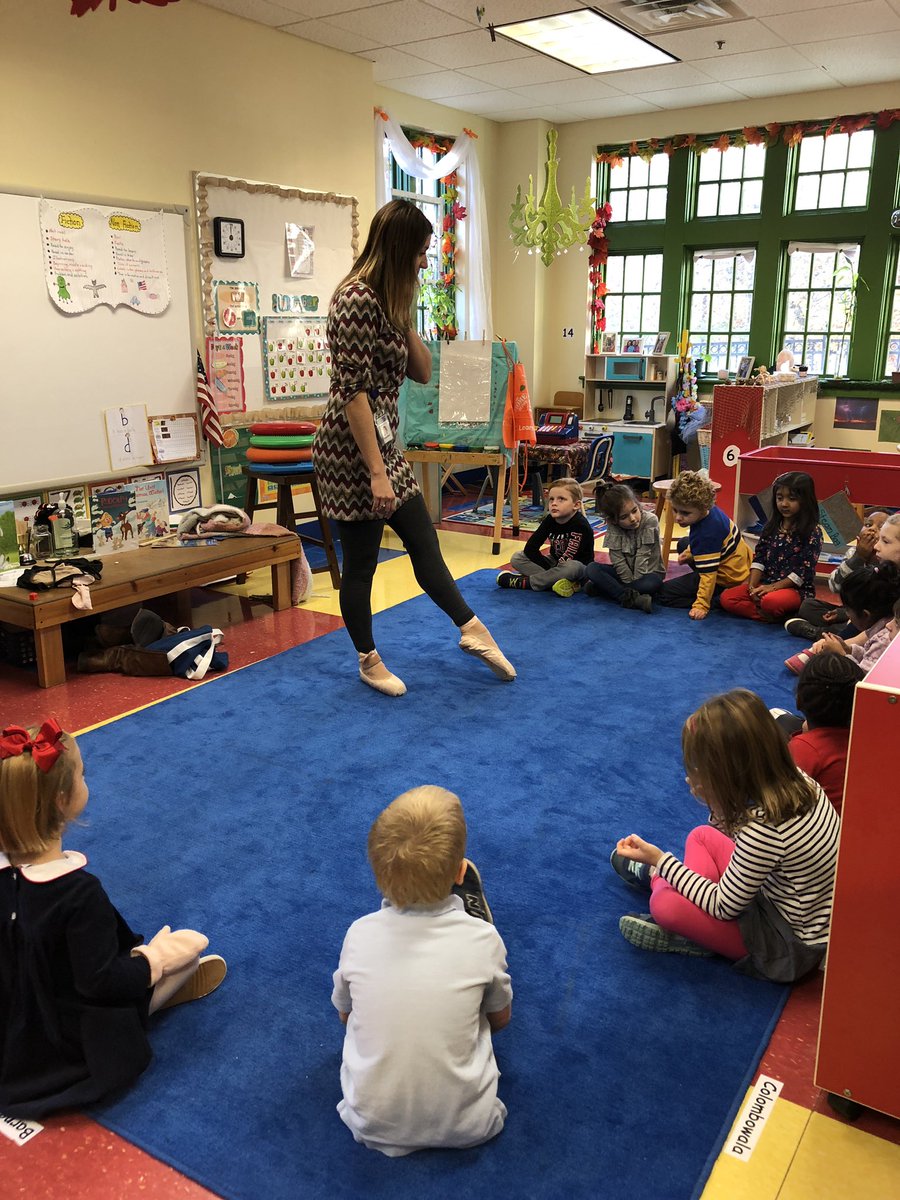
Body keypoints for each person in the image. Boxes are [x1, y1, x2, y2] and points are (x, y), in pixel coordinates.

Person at [311, 199, 515, 697]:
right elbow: (352, 393)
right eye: (421, 252)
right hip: (350, 451)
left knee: (424, 542)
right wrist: (376, 473)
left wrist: (402, 315)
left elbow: (422, 371)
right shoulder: (355, 300)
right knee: (362, 563)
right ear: (400, 250)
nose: (425, 262)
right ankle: (368, 659)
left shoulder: (387, 302)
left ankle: (472, 628)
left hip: (382, 443)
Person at [0, 720, 225, 1118]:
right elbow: (100, 982)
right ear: (63, 800)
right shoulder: (77, 893)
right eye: (82, 775)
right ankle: (158, 993)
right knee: (183, 956)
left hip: (11, 1023)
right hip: (61, 1040)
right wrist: (154, 960)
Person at [609, 690, 839, 982]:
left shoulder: (763, 831)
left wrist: (660, 861)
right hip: (789, 906)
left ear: (726, 775)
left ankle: (661, 882)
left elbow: (723, 906)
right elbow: (743, 842)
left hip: (787, 947)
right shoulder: (797, 779)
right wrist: (718, 807)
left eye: (699, 769)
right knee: (701, 836)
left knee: (664, 906)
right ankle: (671, 885)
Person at [331, 785, 512, 1157]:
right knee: (475, 998)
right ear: (460, 872)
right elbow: (501, 1019)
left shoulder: (358, 934)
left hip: (368, 1123)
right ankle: (465, 918)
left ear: (378, 875)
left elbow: (345, 1016)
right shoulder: (486, 940)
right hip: (473, 1124)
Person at [769, 653, 864, 814]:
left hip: (823, 823)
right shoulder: (866, 737)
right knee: (778, 718)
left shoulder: (803, 750)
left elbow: (776, 799)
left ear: (799, 700)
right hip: (852, 816)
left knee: (772, 721)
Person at [720, 472, 821, 622]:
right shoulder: (771, 527)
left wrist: (772, 588)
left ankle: (774, 610)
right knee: (727, 597)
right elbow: (759, 559)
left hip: (794, 590)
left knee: (770, 602)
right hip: (765, 584)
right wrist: (752, 587)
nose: (784, 504)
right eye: (780, 498)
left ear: (805, 500)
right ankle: (772, 616)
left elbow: (802, 573)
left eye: (792, 499)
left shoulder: (812, 532)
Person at [658, 470, 752, 619]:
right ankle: (712, 591)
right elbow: (700, 542)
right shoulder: (711, 511)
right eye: (675, 510)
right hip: (738, 563)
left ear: (703, 509)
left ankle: (717, 600)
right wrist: (690, 552)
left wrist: (701, 605)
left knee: (663, 594)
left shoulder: (707, 534)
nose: (678, 518)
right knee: (683, 544)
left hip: (727, 578)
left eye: (685, 513)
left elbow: (708, 575)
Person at [784, 510, 887, 640]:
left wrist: (845, 615)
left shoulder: (887, 559)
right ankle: (835, 632)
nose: (871, 529)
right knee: (808, 606)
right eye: (868, 524)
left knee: (864, 627)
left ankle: (819, 633)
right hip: (850, 610)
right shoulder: (853, 553)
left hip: (872, 616)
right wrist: (859, 557)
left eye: (881, 527)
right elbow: (834, 586)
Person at [784, 561, 900, 675]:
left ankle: (817, 634)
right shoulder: (880, 625)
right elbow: (867, 654)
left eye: (847, 610)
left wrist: (841, 655)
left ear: (865, 615)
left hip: (862, 680)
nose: (888, 625)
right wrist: (848, 649)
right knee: (809, 605)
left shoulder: (882, 640)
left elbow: (862, 678)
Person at [497, 477, 594, 597]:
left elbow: (569, 558)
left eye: (561, 499)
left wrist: (552, 571)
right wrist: (549, 569)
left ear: (576, 505)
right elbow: (531, 548)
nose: (554, 503)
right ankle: (555, 582)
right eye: (551, 499)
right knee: (518, 557)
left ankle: (526, 583)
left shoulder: (581, 526)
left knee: (571, 567)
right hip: (555, 563)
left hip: (578, 569)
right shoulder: (550, 520)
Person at [582, 482, 663, 614]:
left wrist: (632, 582)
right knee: (591, 568)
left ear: (638, 504)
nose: (633, 519)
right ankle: (632, 598)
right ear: (613, 520)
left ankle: (608, 590)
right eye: (624, 517)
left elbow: (643, 555)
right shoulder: (613, 526)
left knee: (654, 583)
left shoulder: (650, 520)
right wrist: (628, 583)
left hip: (647, 574)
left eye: (634, 511)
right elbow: (617, 559)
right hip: (624, 575)